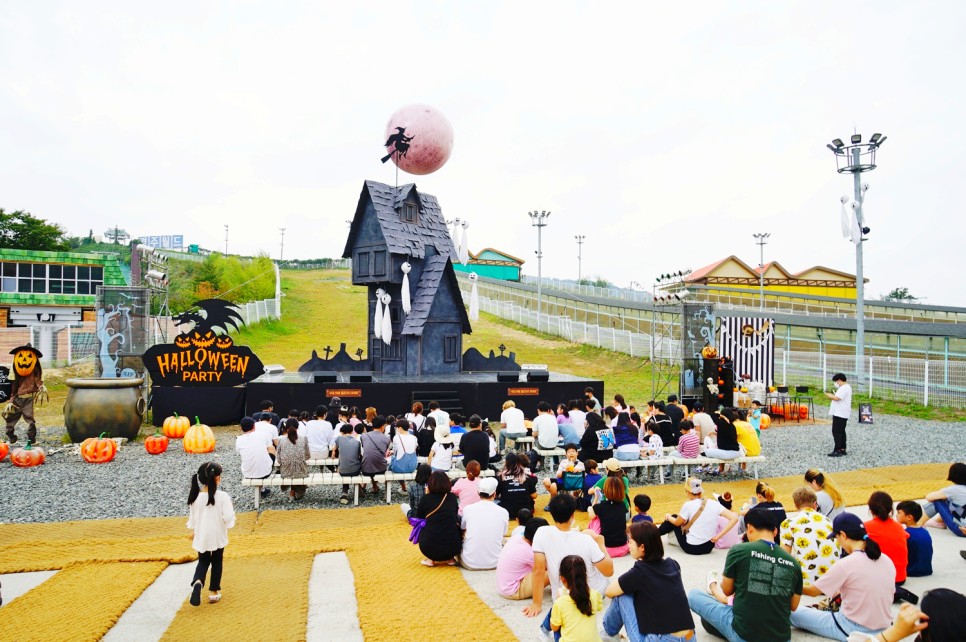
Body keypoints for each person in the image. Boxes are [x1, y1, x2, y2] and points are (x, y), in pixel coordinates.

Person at [689, 508, 803, 642]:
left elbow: (726, 590)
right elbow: (793, 606)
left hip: (744, 635)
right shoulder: (794, 563)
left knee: (694, 595)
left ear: (749, 528)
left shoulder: (739, 550)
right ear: (775, 531)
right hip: (781, 638)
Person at [791, 512, 895, 641]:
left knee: (791, 613)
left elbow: (813, 592)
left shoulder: (846, 564)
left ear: (843, 535)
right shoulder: (886, 559)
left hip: (851, 628)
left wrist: (791, 584)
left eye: (836, 538)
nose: (838, 543)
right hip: (886, 628)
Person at [526, 494, 614, 638]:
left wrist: (537, 603)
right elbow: (609, 571)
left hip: (562, 595)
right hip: (591, 594)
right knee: (606, 580)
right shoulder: (586, 540)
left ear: (552, 513)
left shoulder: (541, 533)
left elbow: (538, 570)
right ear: (573, 515)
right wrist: (601, 544)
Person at [602, 521, 696, 642]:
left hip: (661, 639)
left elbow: (609, 592)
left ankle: (608, 635)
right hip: (689, 637)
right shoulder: (673, 564)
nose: (628, 546)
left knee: (622, 596)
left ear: (642, 547)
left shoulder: (638, 572)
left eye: (630, 542)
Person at [186, 462, 236, 606]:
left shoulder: (195, 496)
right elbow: (227, 517)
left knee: (203, 561)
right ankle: (214, 592)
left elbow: (193, 518)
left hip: (202, 535)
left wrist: (194, 530)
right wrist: (231, 516)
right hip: (217, 534)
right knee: (217, 561)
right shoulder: (222, 496)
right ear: (218, 478)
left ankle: (197, 582)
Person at [658, 477, 739, 555]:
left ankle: (654, 535)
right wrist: (718, 536)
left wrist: (668, 516)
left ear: (688, 492)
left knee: (674, 517)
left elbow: (676, 523)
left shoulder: (688, 505)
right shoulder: (714, 503)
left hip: (692, 547)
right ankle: (654, 534)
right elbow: (734, 518)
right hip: (709, 546)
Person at [779, 486, 839, 585]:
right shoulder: (829, 521)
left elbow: (784, 557)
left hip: (807, 584)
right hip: (833, 582)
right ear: (815, 504)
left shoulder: (789, 523)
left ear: (795, 505)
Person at [865, 491, 917, 604]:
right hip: (901, 577)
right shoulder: (899, 527)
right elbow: (906, 536)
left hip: (882, 579)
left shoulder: (867, 526)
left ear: (870, 509)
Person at [550, 555, 604, 641]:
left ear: (562, 579)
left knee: (555, 615)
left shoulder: (560, 602)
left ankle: (543, 630)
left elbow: (554, 627)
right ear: (585, 576)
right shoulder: (594, 595)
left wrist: (559, 599)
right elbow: (598, 607)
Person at [459, 477, 509, 570]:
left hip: (469, 562)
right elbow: (503, 534)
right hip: (495, 563)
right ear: (494, 494)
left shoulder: (468, 509)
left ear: (478, 493)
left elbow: (463, 528)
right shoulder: (503, 512)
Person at [415, 471, 461, 567]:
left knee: (424, 526)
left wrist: (427, 494)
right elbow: (455, 514)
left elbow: (420, 517)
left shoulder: (425, 499)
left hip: (428, 548)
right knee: (452, 524)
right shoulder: (452, 497)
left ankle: (431, 559)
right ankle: (450, 558)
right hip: (453, 547)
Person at [497, 517, 549, 600]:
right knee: (553, 570)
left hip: (504, 587)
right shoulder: (529, 552)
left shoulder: (517, 537)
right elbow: (546, 566)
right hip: (514, 591)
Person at [5, 344, 45, 443]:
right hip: (18, 399)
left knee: (30, 419)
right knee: (10, 418)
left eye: (29, 357)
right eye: (21, 357)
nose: (24, 360)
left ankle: (31, 438)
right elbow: (14, 388)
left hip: (28, 400)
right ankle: (11, 437)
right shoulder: (16, 372)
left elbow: (38, 382)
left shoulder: (35, 371)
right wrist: (11, 401)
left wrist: (41, 387)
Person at [920, 462, 966, 537]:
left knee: (938, 501)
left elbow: (929, 497)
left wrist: (942, 496)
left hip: (961, 530)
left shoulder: (953, 490)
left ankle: (919, 524)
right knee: (951, 501)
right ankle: (939, 521)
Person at [588, 477, 630, 557]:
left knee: (595, 520)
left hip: (606, 549)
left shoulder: (601, 506)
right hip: (623, 548)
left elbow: (591, 515)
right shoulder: (622, 505)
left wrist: (596, 498)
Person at [235, 416, 275, 498]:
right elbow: (270, 448)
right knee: (271, 448)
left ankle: (262, 489)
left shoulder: (239, 440)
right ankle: (262, 489)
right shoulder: (262, 435)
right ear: (254, 426)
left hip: (247, 473)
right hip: (265, 472)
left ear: (241, 428)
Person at [496, 452, 538, 520]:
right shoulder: (526, 475)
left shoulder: (501, 476)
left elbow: (495, 495)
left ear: (506, 463)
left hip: (507, 512)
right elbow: (534, 495)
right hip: (525, 512)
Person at [895, 501, 932, 577]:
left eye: (899, 513)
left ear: (909, 517)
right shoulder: (925, 531)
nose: (896, 515)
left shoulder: (905, 534)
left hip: (911, 571)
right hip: (927, 569)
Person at [276, 418, 310, 500]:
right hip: (301, 472)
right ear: (297, 427)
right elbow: (307, 456)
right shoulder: (303, 439)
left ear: (285, 428)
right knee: (300, 467)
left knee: (290, 467)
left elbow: (278, 459)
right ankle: (295, 491)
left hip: (286, 472)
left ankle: (292, 492)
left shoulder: (281, 440)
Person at [704, 407, 742, 474]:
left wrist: (722, 416)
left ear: (723, 415)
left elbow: (712, 415)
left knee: (706, 451)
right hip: (736, 452)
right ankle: (724, 468)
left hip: (728, 453)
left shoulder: (722, 423)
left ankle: (721, 468)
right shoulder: (732, 425)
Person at [360, 415, 391, 495]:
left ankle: (366, 486)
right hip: (380, 469)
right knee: (377, 460)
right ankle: (374, 486)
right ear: (383, 426)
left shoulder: (364, 436)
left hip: (366, 469)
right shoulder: (386, 439)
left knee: (369, 459)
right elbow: (383, 452)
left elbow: (366, 449)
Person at [333, 422, 362, 505]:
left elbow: (335, 447)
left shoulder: (339, 438)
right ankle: (359, 490)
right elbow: (358, 456)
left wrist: (334, 451)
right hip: (355, 470)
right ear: (352, 431)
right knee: (351, 465)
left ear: (342, 432)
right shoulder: (357, 442)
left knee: (345, 467)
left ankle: (345, 492)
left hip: (343, 470)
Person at [825, 373, 852, 457]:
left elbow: (837, 398)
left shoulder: (844, 388)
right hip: (843, 412)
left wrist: (829, 395)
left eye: (836, 381)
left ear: (840, 380)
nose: (836, 383)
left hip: (840, 413)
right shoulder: (846, 387)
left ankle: (837, 450)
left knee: (836, 431)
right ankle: (842, 449)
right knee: (842, 431)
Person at [530, 401, 560, 471]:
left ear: (538, 410)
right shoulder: (554, 418)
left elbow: (535, 434)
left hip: (542, 446)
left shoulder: (537, 419)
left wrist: (533, 434)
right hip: (554, 445)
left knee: (536, 441)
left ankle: (537, 465)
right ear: (549, 410)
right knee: (543, 438)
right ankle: (554, 463)